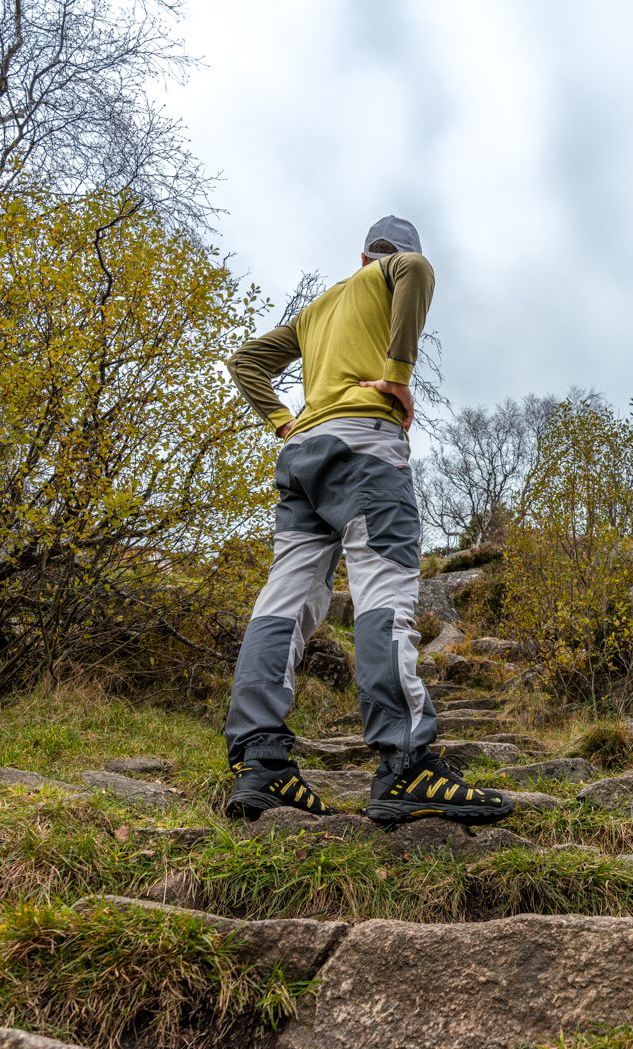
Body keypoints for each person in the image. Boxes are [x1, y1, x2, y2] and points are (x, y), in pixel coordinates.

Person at [220, 214, 513, 827]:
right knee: (384, 596)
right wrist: (398, 378)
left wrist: (284, 421)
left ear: (361, 257)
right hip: (364, 447)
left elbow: (246, 360)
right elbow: (417, 270)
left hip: (303, 454)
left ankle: (261, 764)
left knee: (283, 603)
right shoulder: (394, 272)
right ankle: (406, 765)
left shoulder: (316, 310)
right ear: (382, 262)